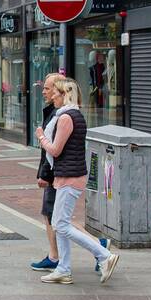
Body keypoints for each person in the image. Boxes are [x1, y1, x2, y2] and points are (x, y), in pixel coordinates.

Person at [35, 78, 120, 286]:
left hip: (70, 177)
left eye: (56, 93)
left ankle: (103, 255)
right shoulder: (74, 115)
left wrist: (41, 137)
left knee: (61, 225)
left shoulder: (66, 118)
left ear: (65, 95)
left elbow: (55, 150)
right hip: (68, 175)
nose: (53, 97)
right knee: (59, 223)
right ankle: (63, 270)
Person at [30, 74, 63, 272]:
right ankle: (54, 255)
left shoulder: (59, 115)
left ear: (58, 91)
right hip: (57, 173)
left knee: (55, 216)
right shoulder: (54, 112)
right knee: (52, 215)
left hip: (56, 174)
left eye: (48, 88)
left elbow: (51, 149)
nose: (43, 91)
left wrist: (45, 174)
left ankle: (98, 245)